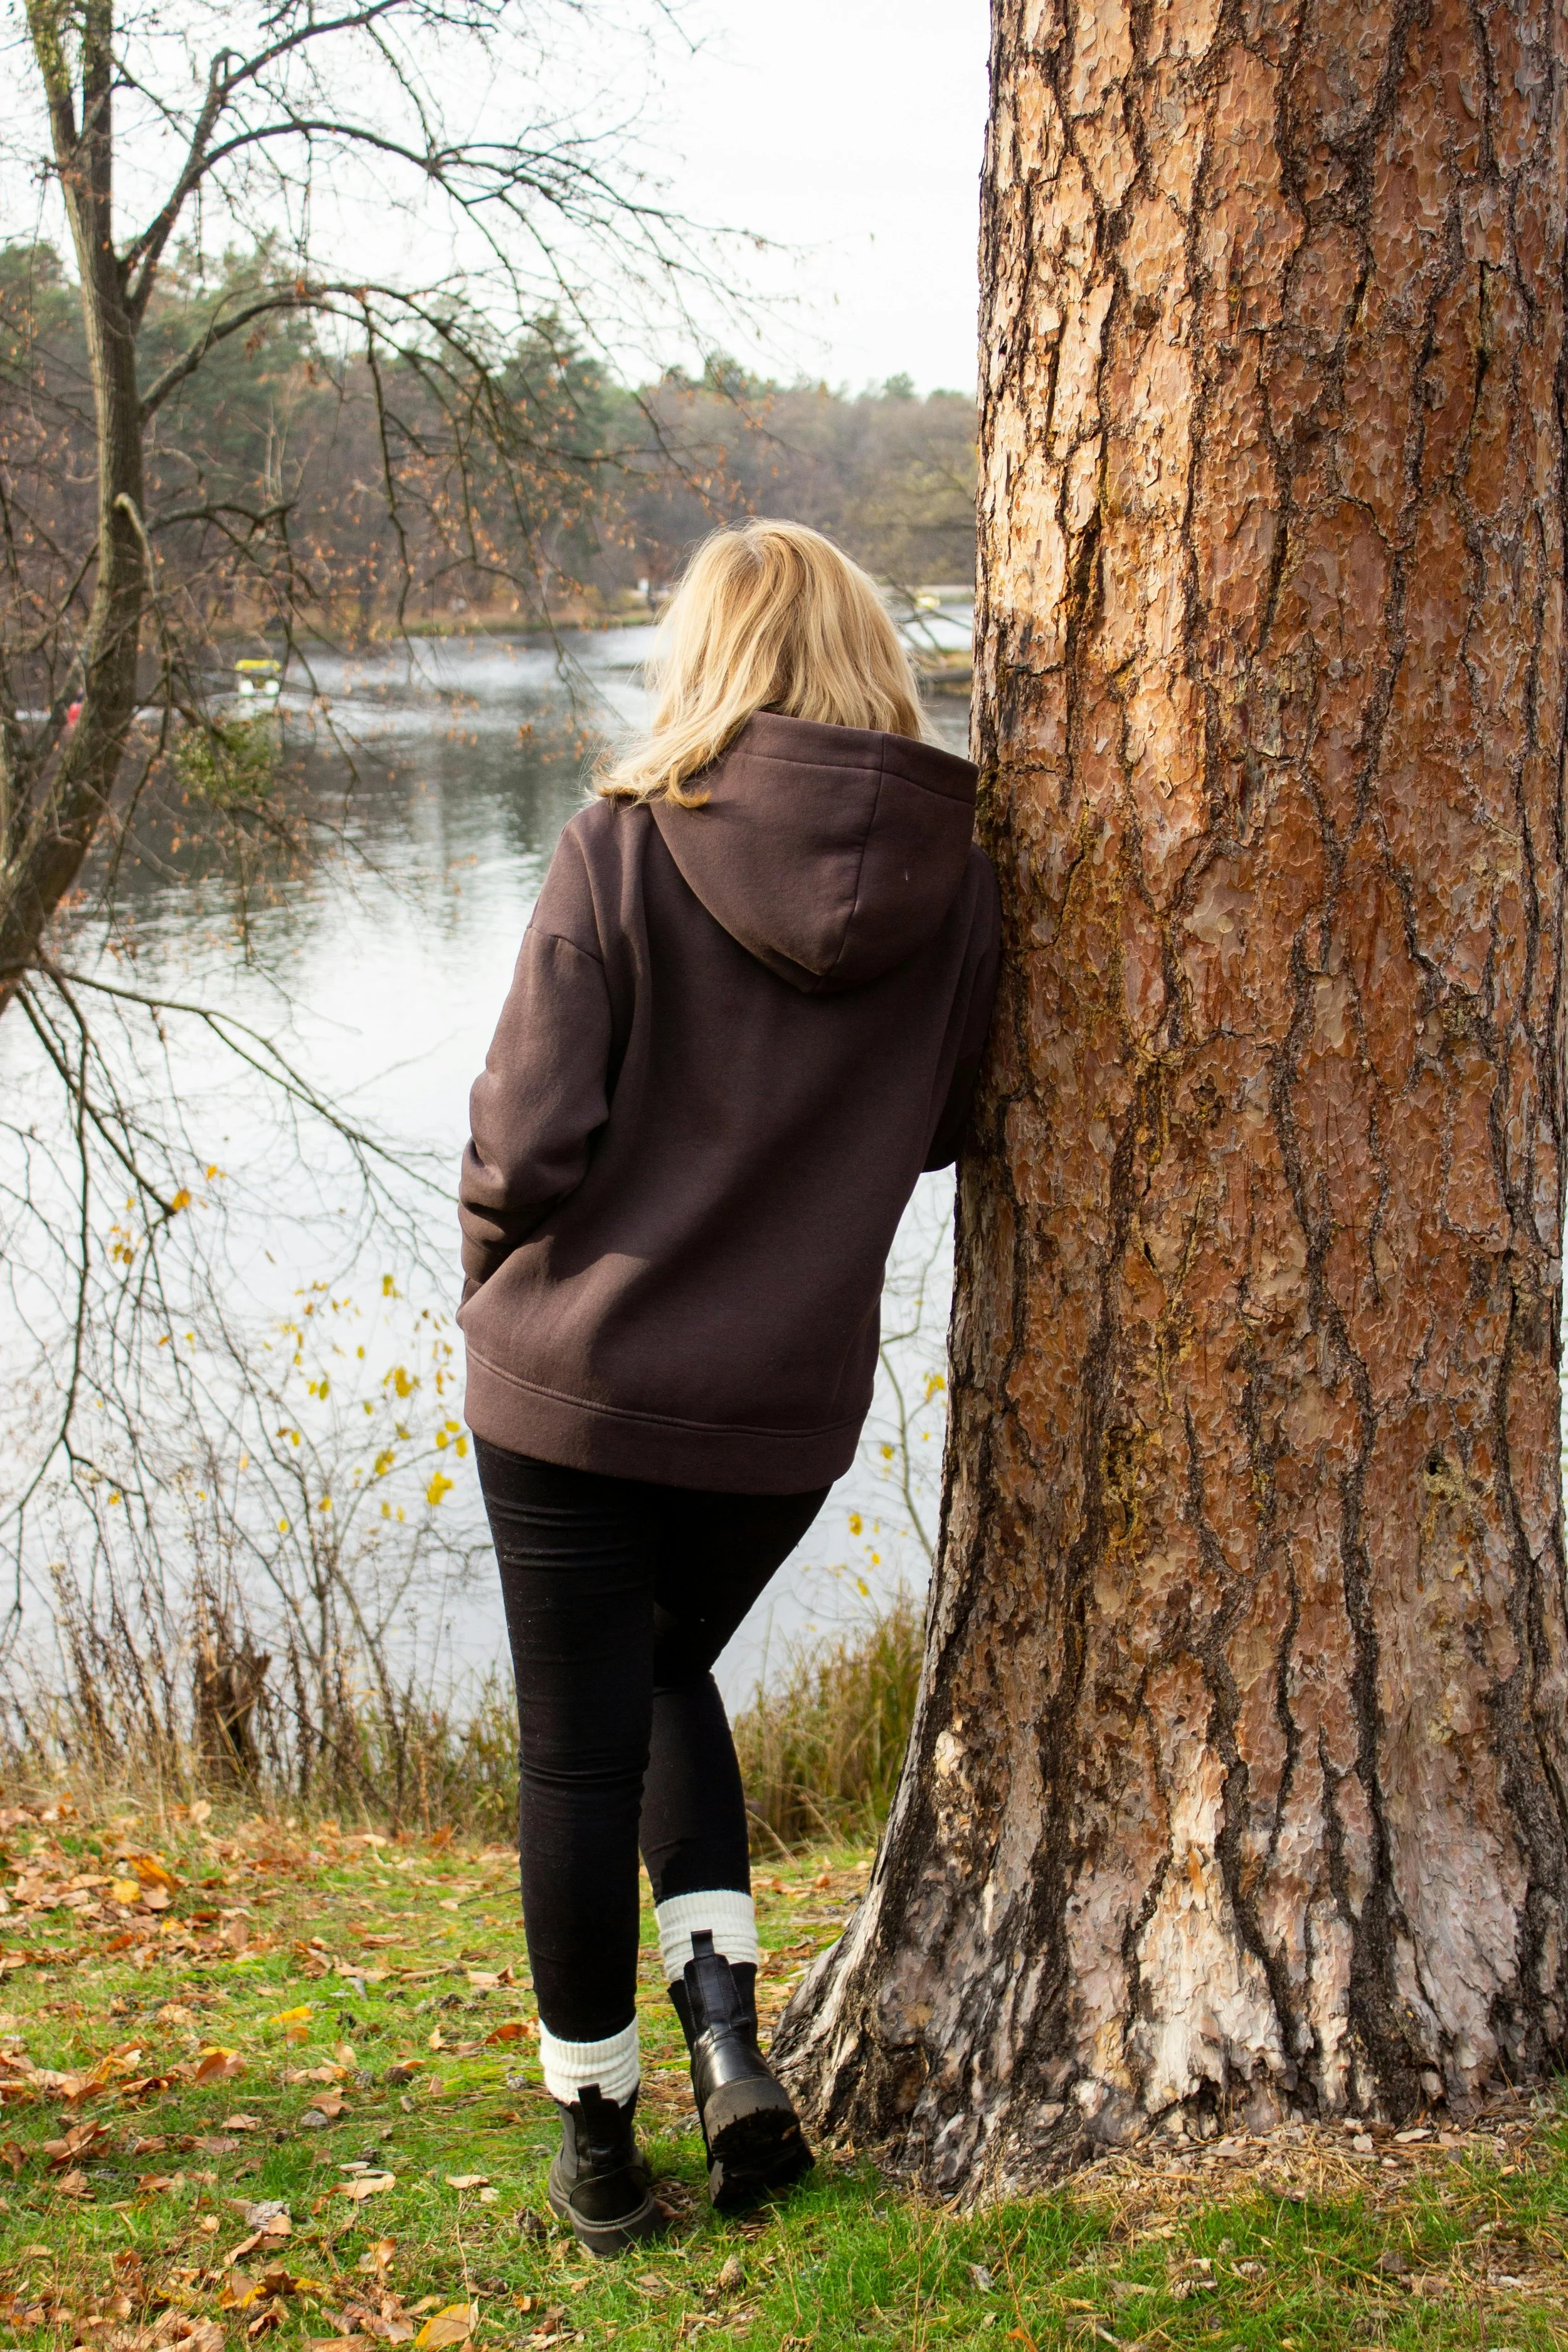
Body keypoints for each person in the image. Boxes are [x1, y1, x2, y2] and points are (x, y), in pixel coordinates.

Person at [457, 519, 1000, 2255]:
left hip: (576, 1383)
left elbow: (524, 1140)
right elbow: (943, 1125)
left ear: (703, 654)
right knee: (668, 1662)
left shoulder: (622, 840)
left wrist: (491, 1276)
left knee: (575, 1746)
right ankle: (727, 2041)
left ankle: (600, 2145)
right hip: (777, 1407)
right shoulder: (965, 877)